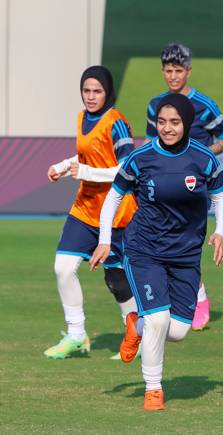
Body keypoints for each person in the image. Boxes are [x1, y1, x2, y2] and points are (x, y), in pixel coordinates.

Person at [90, 93, 223, 410]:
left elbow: (221, 199)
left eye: (175, 122)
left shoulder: (204, 158)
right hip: (145, 250)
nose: (167, 128)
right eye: (162, 122)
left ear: (186, 123)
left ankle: (134, 323)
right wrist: (104, 239)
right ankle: (153, 388)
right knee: (159, 319)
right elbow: (113, 198)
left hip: (186, 255)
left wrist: (220, 233)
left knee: (178, 331)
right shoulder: (140, 158)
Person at [43, 65, 139, 360]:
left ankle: (136, 334)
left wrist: (86, 171)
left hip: (117, 212)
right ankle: (76, 335)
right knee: (63, 267)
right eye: (86, 90)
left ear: (108, 92)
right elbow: (86, 155)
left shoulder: (117, 122)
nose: (91, 96)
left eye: (97, 91)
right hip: (85, 209)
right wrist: (63, 165)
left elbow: (127, 168)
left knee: (117, 279)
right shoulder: (82, 118)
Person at [145, 43, 223, 330]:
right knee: (166, 240)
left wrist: (196, 158)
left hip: (193, 185)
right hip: (160, 185)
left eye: (178, 70)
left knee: (185, 239)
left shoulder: (204, 105)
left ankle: (198, 298)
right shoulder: (154, 104)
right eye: (168, 71)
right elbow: (150, 144)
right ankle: (186, 297)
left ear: (189, 71)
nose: (173, 76)